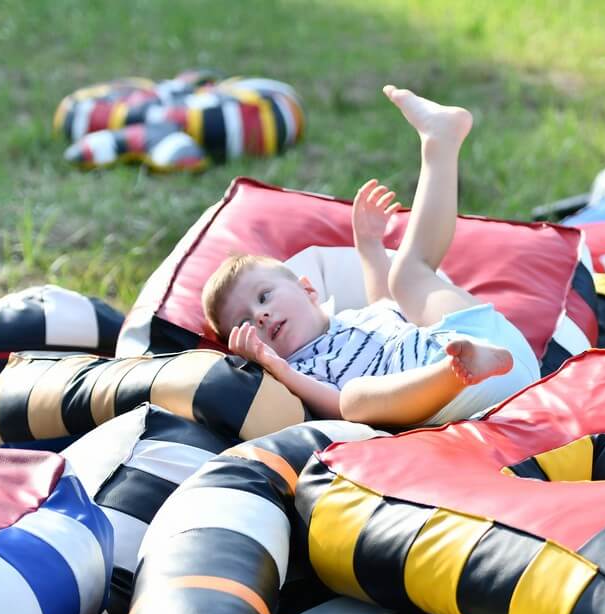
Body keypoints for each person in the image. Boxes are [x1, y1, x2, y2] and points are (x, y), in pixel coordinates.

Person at [201, 85, 540, 427]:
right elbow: (335, 407)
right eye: (244, 323)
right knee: (352, 399)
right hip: (451, 397)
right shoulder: (300, 372)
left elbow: (384, 303)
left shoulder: (357, 318)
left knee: (407, 278)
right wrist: (274, 367)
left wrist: (369, 245)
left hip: (491, 344)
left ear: (308, 289)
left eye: (264, 296)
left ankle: (440, 141)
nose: (260, 316)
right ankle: (456, 370)